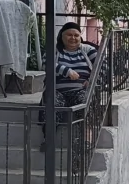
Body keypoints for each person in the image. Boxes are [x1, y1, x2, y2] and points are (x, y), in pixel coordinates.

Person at [38, 22, 98, 152]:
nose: (73, 38)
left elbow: (103, 67)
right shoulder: (54, 50)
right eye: (69, 35)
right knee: (52, 102)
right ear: (61, 36)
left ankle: (86, 140)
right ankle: (48, 139)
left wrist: (91, 80)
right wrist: (67, 71)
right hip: (57, 90)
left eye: (76, 35)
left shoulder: (88, 50)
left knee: (85, 102)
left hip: (80, 90)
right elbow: (45, 64)